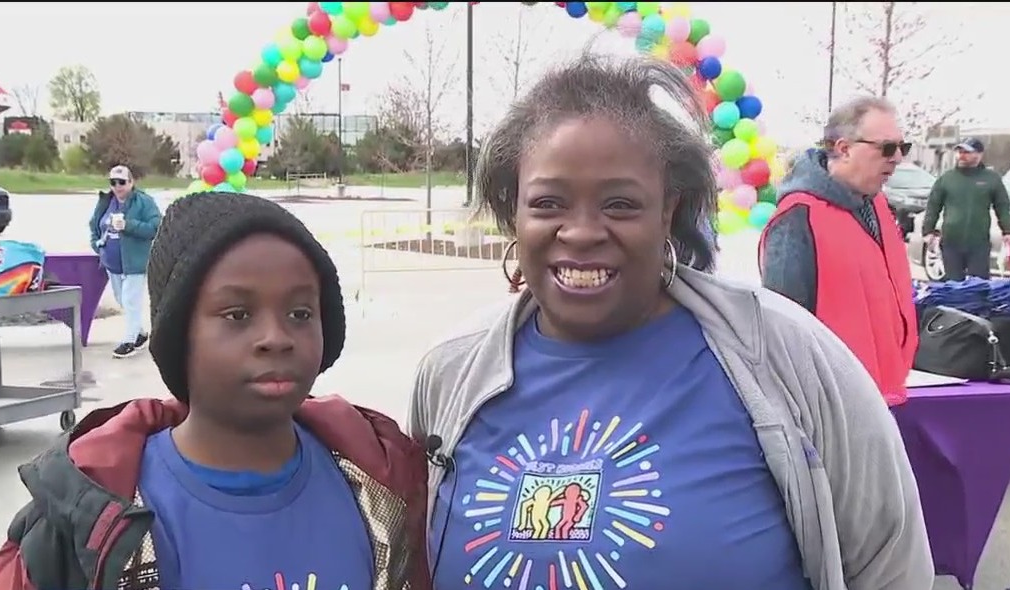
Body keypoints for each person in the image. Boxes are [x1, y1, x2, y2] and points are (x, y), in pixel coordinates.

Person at [408, 55, 932, 590]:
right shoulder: (451, 374)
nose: (582, 232)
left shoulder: (786, 355)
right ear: (513, 211)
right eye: (548, 203)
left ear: (668, 210)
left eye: (619, 204)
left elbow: (891, 566)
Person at [0, 192, 430, 590]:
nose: (276, 337)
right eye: (237, 315)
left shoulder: (379, 488)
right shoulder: (86, 522)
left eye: (299, 312)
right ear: (180, 337)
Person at [758, 96, 917, 407]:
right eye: (887, 148)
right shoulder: (798, 217)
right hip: (831, 408)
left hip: (882, 396)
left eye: (903, 147)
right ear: (844, 149)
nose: (898, 158)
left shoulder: (877, 205)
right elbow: (782, 328)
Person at [89, 165, 161, 358]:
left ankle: (128, 340)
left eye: (122, 182)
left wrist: (128, 225)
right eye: (113, 182)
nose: (118, 186)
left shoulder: (144, 202)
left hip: (135, 262)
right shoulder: (106, 202)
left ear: (131, 182)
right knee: (123, 300)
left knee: (130, 301)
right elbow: (95, 224)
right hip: (113, 263)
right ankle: (140, 333)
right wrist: (97, 245)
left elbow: (155, 227)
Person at [921, 137, 1010, 281]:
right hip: (951, 242)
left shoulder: (991, 179)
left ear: (979, 155)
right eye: (959, 151)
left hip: (979, 243)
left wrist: (1007, 231)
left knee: (978, 285)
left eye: (967, 152)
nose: (961, 155)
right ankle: (955, 304)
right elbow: (933, 206)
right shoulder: (947, 179)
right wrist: (928, 230)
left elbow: (1003, 206)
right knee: (953, 284)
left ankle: (976, 303)